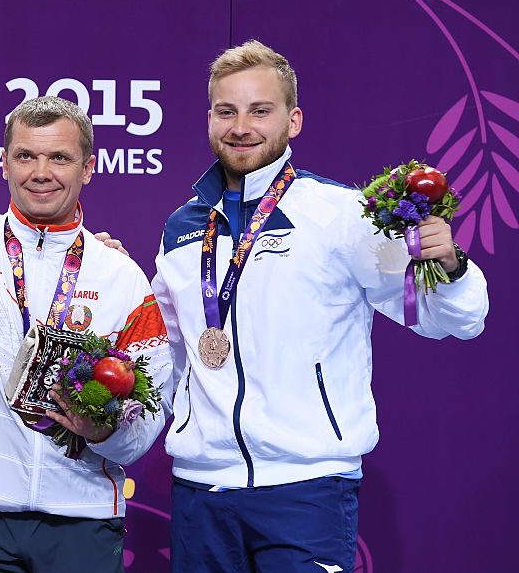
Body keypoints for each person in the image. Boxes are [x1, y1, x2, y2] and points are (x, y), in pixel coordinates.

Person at [152, 40, 489, 572]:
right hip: (202, 490)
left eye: (260, 110)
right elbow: (166, 354)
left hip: (307, 489)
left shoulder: (343, 215)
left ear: (294, 120)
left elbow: (448, 318)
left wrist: (449, 265)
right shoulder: (183, 225)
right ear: (210, 119)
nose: (241, 126)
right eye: (226, 111)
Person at [0, 0, 173, 572]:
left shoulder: (121, 277)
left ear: (88, 168)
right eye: (25, 156)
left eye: (59, 158)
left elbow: (150, 411)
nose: (41, 172)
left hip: (84, 518)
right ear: (3, 163)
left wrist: (104, 433)